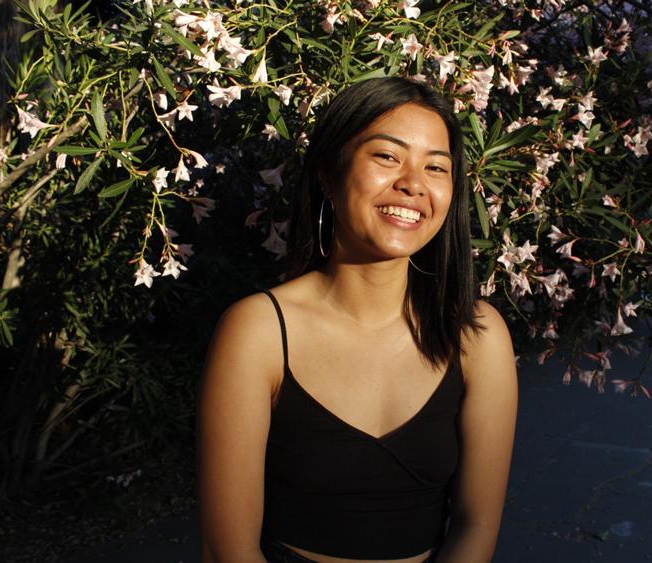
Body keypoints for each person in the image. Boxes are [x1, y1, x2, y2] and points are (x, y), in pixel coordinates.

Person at [197, 77, 518, 563]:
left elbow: (477, 526)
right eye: (387, 157)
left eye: (436, 167)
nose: (412, 183)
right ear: (328, 174)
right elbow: (229, 551)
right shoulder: (258, 332)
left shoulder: (478, 335)